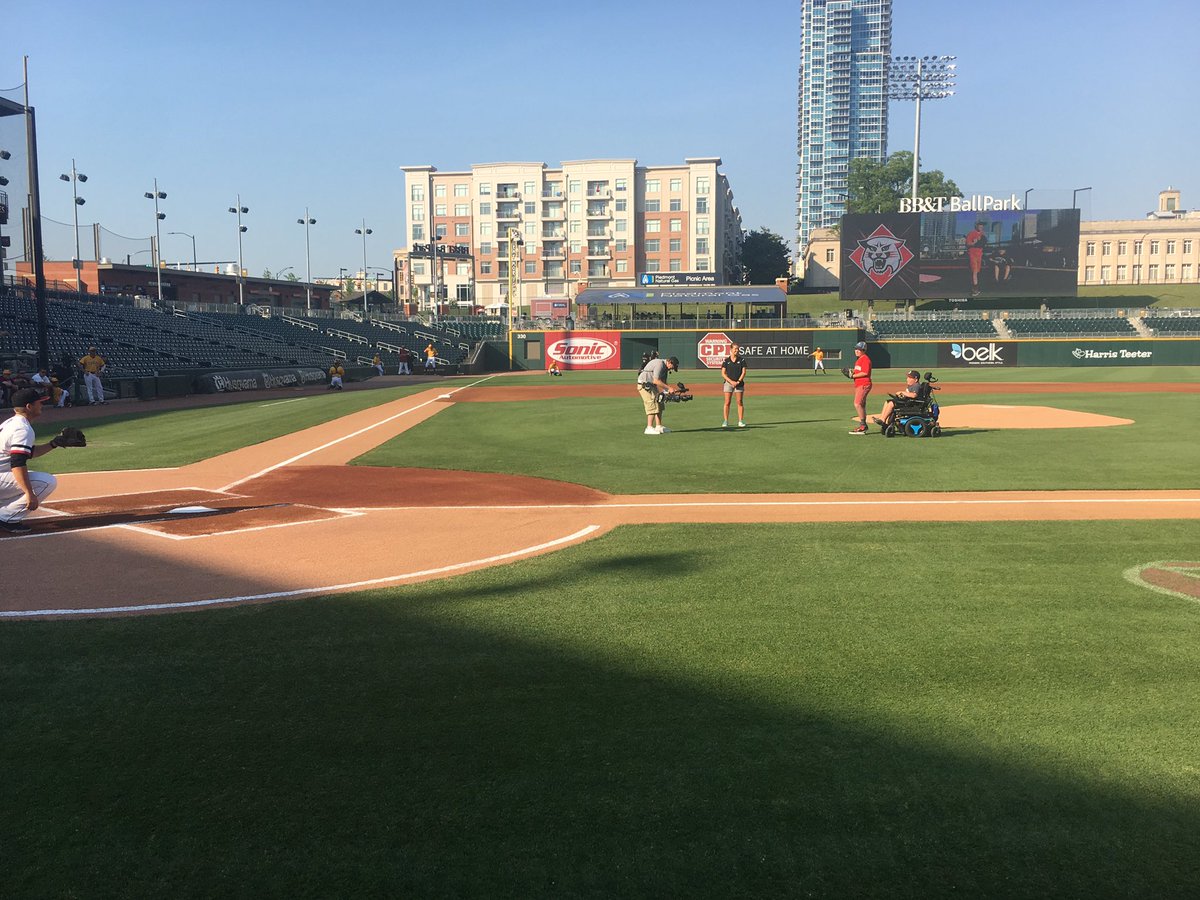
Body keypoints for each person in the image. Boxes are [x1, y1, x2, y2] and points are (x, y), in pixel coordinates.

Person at [0, 388, 62, 534]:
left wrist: (54, 444)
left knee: (27, 478)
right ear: (29, 407)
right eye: (39, 403)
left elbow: (27, 453)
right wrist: (29, 493)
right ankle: (7, 517)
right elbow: (17, 463)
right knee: (47, 481)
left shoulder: (11, 423)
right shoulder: (22, 429)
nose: (42, 405)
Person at [636, 354, 679, 435]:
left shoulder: (665, 368)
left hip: (651, 385)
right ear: (669, 362)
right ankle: (649, 427)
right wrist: (669, 388)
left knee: (660, 402)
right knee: (652, 403)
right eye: (672, 367)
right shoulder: (660, 364)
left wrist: (669, 392)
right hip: (644, 385)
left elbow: (664, 383)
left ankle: (658, 426)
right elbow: (656, 381)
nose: (672, 369)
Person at [847, 341, 872, 434]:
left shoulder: (865, 359)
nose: (856, 351)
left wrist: (852, 376)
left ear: (863, 350)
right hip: (859, 384)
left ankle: (863, 426)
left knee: (857, 404)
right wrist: (852, 372)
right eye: (856, 349)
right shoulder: (859, 359)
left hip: (864, 384)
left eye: (859, 349)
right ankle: (863, 425)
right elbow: (859, 371)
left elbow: (865, 372)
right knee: (861, 405)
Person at [720, 343, 747, 428]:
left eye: (738, 349)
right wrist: (731, 382)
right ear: (731, 349)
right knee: (727, 402)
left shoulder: (742, 360)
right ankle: (725, 421)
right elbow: (723, 374)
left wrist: (738, 381)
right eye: (735, 349)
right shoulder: (726, 361)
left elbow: (744, 372)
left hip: (739, 383)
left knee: (739, 402)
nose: (737, 350)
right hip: (728, 383)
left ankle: (740, 421)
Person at [965, 221, 987, 296]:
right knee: (974, 271)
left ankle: (974, 286)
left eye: (982, 226)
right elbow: (968, 244)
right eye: (980, 226)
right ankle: (975, 289)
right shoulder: (971, 233)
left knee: (977, 271)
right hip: (972, 254)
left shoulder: (983, 234)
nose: (981, 227)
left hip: (979, 255)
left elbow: (983, 244)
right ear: (976, 226)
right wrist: (974, 243)